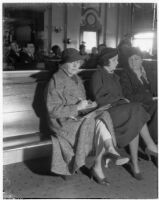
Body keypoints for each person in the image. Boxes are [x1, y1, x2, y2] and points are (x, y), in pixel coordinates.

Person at [45, 48, 129, 185]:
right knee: (93, 122)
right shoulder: (56, 80)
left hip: (77, 117)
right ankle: (104, 158)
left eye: (78, 63)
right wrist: (77, 107)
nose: (75, 66)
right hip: (62, 122)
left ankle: (109, 151)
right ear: (63, 63)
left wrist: (90, 105)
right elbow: (52, 110)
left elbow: (81, 101)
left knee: (104, 114)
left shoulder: (76, 78)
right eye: (72, 63)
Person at [90, 48, 158, 180]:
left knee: (135, 118)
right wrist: (121, 100)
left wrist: (122, 100)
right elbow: (99, 99)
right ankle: (150, 145)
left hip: (119, 109)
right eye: (114, 60)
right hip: (106, 111)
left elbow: (121, 96)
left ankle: (137, 163)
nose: (117, 62)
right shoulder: (98, 75)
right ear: (107, 61)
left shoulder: (114, 76)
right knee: (136, 109)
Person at [119, 47, 157, 144]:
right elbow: (128, 96)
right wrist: (151, 98)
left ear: (141, 60)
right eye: (130, 59)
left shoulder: (149, 71)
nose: (133, 62)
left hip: (153, 102)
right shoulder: (125, 75)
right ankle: (154, 143)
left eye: (136, 59)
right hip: (139, 106)